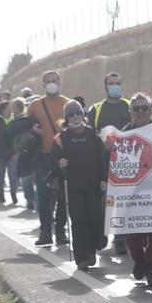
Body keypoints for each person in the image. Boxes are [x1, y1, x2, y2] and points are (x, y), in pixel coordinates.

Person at [116, 94, 152, 286]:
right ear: (130, 112)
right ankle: (139, 260)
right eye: (136, 108)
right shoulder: (123, 135)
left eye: (144, 108)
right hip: (132, 192)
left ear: (151, 109)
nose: (141, 112)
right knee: (132, 235)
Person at [54, 101, 107, 271]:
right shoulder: (60, 138)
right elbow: (52, 162)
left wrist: (103, 178)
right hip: (73, 187)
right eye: (71, 114)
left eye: (78, 113)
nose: (76, 117)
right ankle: (81, 257)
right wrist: (59, 163)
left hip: (92, 184)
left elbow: (101, 158)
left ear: (82, 115)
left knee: (95, 219)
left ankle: (92, 250)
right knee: (78, 222)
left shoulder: (92, 134)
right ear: (66, 117)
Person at [27, 70, 72, 246]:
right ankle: (45, 231)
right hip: (43, 156)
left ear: (60, 82)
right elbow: (26, 127)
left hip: (63, 155)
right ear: (43, 85)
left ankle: (60, 231)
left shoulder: (68, 104)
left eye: (54, 80)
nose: (51, 83)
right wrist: (33, 130)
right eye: (48, 81)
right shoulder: (35, 106)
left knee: (63, 194)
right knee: (44, 194)